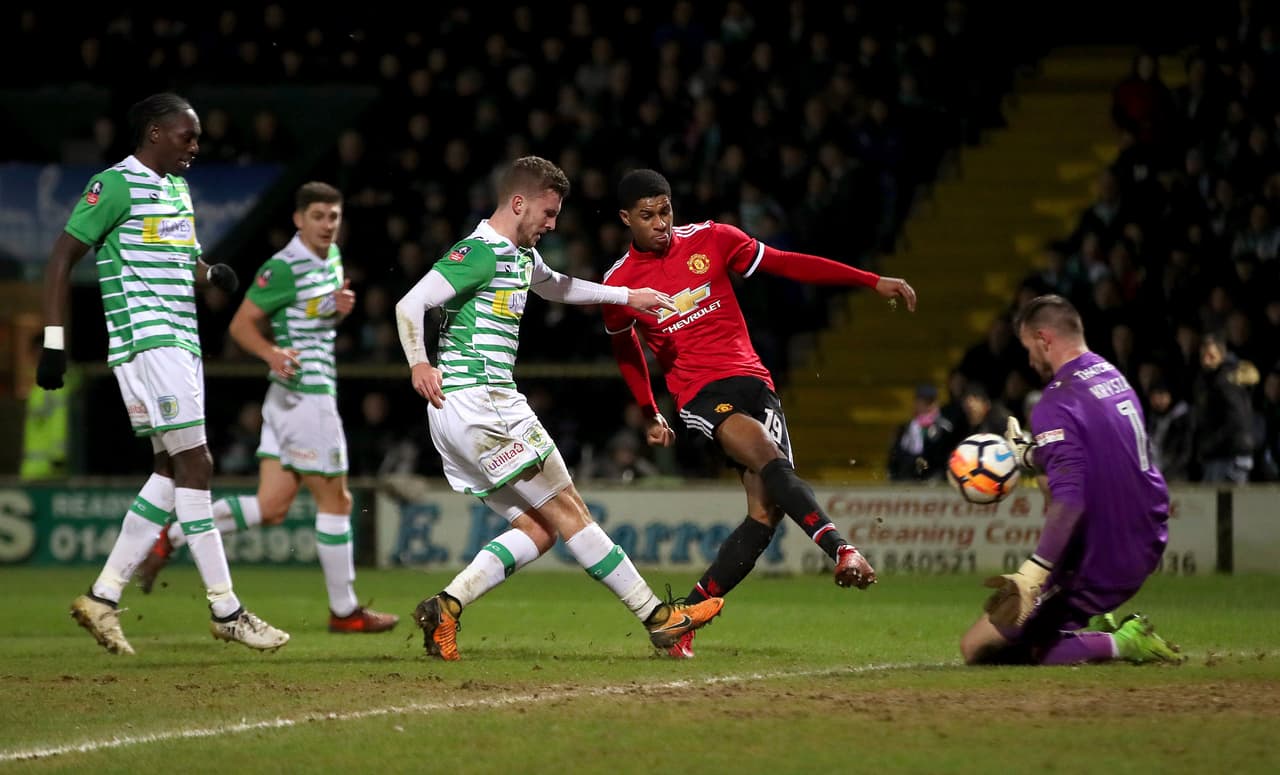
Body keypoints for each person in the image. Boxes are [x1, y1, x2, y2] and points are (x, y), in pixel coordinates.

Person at [394, 155, 725, 660]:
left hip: (460, 416)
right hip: (484, 403)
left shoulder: (521, 256)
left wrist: (626, 296)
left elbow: (559, 286)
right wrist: (419, 362)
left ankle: (447, 606)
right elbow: (409, 303)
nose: (552, 224)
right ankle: (659, 618)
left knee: (538, 528)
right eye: (548, 214)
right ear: (519, 203)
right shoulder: (480, 251)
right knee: (571, 510)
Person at [601, 168, 917, 659]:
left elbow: (789, 264)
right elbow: (627, 351)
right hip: (699, 393)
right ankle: (843, 550)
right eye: (647, 216)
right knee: (765, 453)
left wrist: (870, 280)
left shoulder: (714, 238)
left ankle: (681, 620)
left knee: (764, 515)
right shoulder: (619, 285)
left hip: (755, 383)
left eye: (665, 211)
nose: (661, 223)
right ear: (626, 218)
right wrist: (649, 412)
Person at [37, 92, 288, 654]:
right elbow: (60, 256)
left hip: (181, 345)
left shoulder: (176, 188)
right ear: (153, 134)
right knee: (197, 463)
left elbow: (179, 256)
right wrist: (54, 341)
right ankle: (226, 608)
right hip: (149, 345)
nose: (195, 147)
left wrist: (210, 273)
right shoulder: (114, 185)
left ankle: (102, 597)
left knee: (171, 470)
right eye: (186, 136)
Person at [136, 182, 398, 634]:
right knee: (337, 500)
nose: (327, 225)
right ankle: (345, 611)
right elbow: (241, 325)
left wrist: (337, 310)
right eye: (318, 216)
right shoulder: (284, 267)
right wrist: (271, 353)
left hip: (287, 399)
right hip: (307, 397)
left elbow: (311, 321)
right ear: (299, 219)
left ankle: (173, 535)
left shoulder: (330, 259)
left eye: (333, 217)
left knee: (272, 505)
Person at [960, 294, 1181, 666]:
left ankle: (1125, 641)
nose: (1030, 360)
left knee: (981, 649)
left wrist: (1033, 572)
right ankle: (1093, 614)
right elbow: (1093, 452)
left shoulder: (1055, 402)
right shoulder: (1111, 375)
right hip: (1146, 531)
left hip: (1104, 553)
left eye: (1029, 348)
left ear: (1045, 340)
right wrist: (1030, 454)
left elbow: (1071, 498)